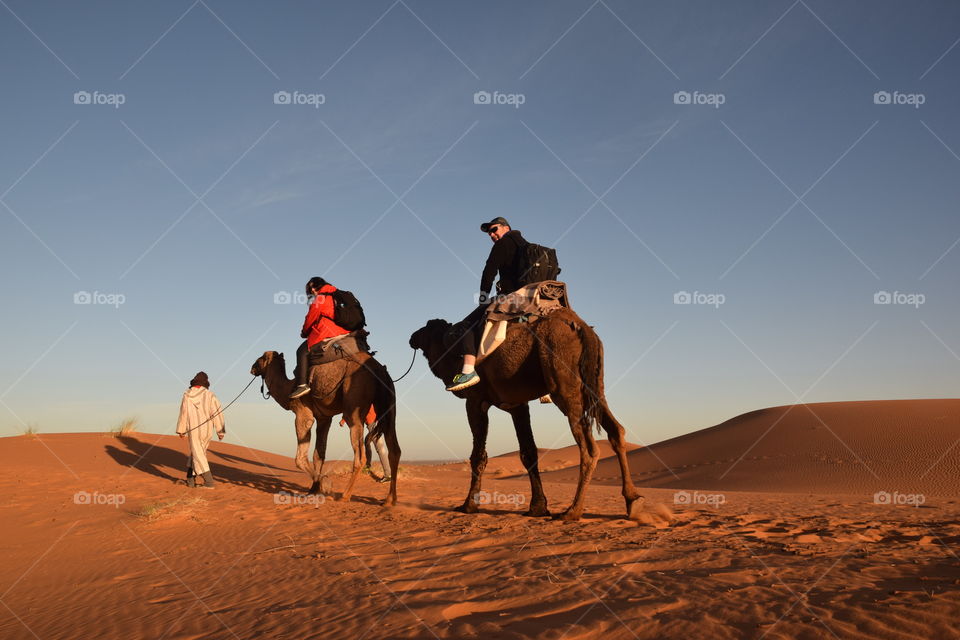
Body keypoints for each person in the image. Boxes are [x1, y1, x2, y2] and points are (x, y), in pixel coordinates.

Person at [446, 216, 527, 392]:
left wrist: (483, 297)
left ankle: (468, 371)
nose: (491, 234)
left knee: (464, 326)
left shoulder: (503, 244)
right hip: (533, 298)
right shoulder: (528, 246)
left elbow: (489, 271)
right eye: (489, 232)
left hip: (511, 298)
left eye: (494, 229)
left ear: (506, 228)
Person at [290, 276, 350, 399]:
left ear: (313, 288)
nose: (311, 291)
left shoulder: (320, 299)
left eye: (311, 289)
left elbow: (309, 321)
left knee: (301, 351)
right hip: (346, 332)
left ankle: (302, 385)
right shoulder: (339, 294)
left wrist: (304, 333)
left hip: (328, 334)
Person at [176, 372, 225, 488]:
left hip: (194, 429)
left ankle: (209, 482)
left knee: (198, 454)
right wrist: (220, 431)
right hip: (208, 429)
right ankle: (190, 480)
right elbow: (217, 413)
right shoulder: (210, 395)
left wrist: (181, 429)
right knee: (197, 453)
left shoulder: (187, 395)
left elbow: (184, 413)